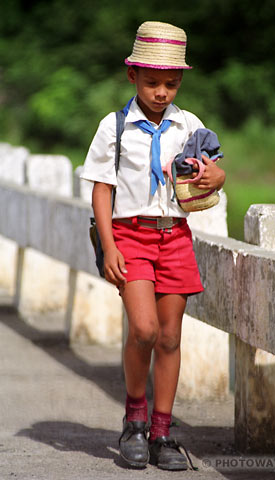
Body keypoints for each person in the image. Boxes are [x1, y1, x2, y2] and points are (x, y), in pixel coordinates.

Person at [81, 21, 225, 471]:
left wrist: (211, 176)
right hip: (131, 235)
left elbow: (216, 172)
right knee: (142, 328)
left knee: (169, 335)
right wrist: (109, 247)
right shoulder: (115, 127)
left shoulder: (190, 124)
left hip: (175, 235)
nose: (162, 92)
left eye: (171, 83)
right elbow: (101, 188)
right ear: (132, 77)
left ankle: (162, 431)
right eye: (152, 82)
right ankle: (135, 418)